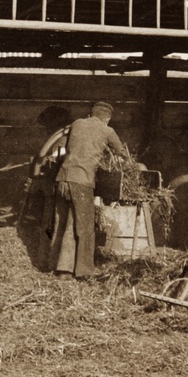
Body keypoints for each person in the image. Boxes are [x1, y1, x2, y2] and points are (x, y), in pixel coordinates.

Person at [51, 100, 129, 279]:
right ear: (107, 119)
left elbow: (68, 148)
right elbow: (123, 155)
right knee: (84, 227)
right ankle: (84, 271)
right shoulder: (107, 130)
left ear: (91, 114)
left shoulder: (77, 124)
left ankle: (61, 268)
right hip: (82, 181)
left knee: (62, 223)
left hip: (62, 178)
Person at [19, 105, 72, 262]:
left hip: (55, 187)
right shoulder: (58, 136)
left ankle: (45, 257)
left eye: (47, 125)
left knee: (49, 223)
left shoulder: (62, 138)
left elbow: (55, 162)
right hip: (52, 185)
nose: (45, 129)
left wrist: (38, 180)